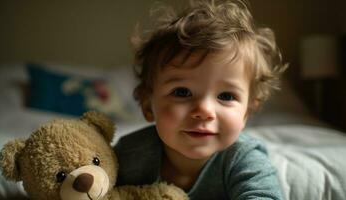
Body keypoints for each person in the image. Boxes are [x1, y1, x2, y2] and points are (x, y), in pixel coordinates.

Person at [114, 0, 287, 199]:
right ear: (148, 105)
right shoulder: (132, 153)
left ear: (247, 111)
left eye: (226, 96)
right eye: (182, 92)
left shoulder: (242, 158)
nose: (204, 110)